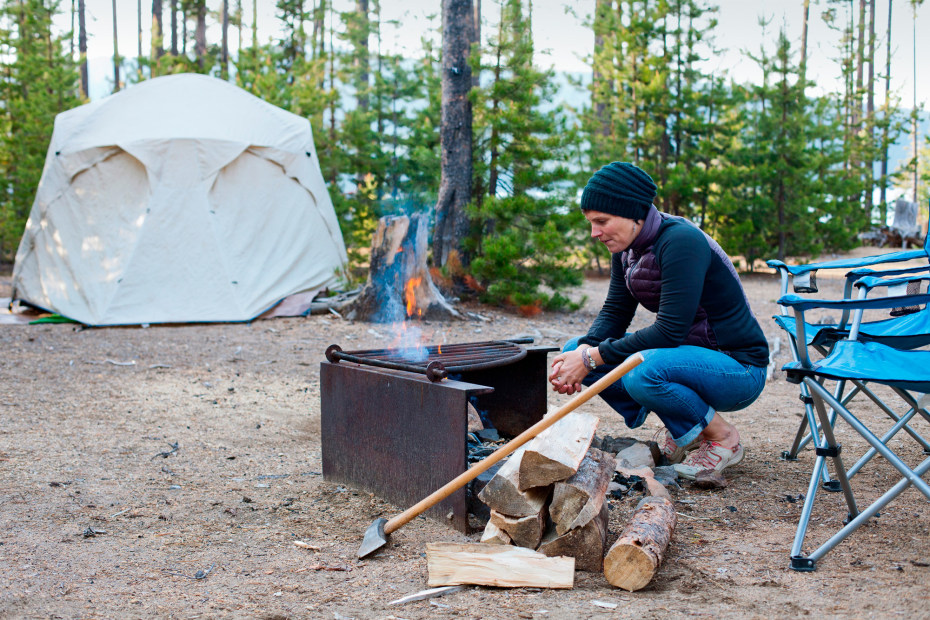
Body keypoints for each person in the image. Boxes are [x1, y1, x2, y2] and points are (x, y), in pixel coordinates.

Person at [549, 162, 769, 480]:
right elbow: (614, 313)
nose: (594, 233)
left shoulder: (681, 241)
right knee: (577, 346)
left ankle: (724, 438)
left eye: (601, 221)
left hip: (737, 368)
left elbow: (669, 331)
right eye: (590, 223)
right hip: (687, 360)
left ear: (633, 213)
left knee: (641, 368)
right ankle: (686, 432)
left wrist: (590, 359)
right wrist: (581, 353)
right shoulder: (627, 249)